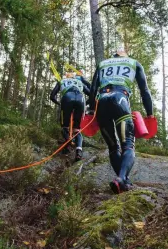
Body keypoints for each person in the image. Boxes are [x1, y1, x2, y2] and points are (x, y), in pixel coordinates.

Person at [90, 49, 153, 194]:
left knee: (113, 147)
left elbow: (93, 90)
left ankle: (123, 181)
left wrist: (91, 111)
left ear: (114, 56)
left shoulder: (102, 64)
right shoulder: (134, 63)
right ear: (125, 56)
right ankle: (121, 178)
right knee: (128, 145)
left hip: (102, 102)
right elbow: (144, 90)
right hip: (120, 99)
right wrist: (149, 114)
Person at [50, 69, 91, 161]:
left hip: (67, 98)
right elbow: (91, 94)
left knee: (65, 126)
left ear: (66, 75)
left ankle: (68, 144)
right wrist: (86, 104)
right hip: (80, 99)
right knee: (77, 129)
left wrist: (58, 103)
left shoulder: (62, 81)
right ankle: (78, 152)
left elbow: (52, 96)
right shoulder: (79, 81)